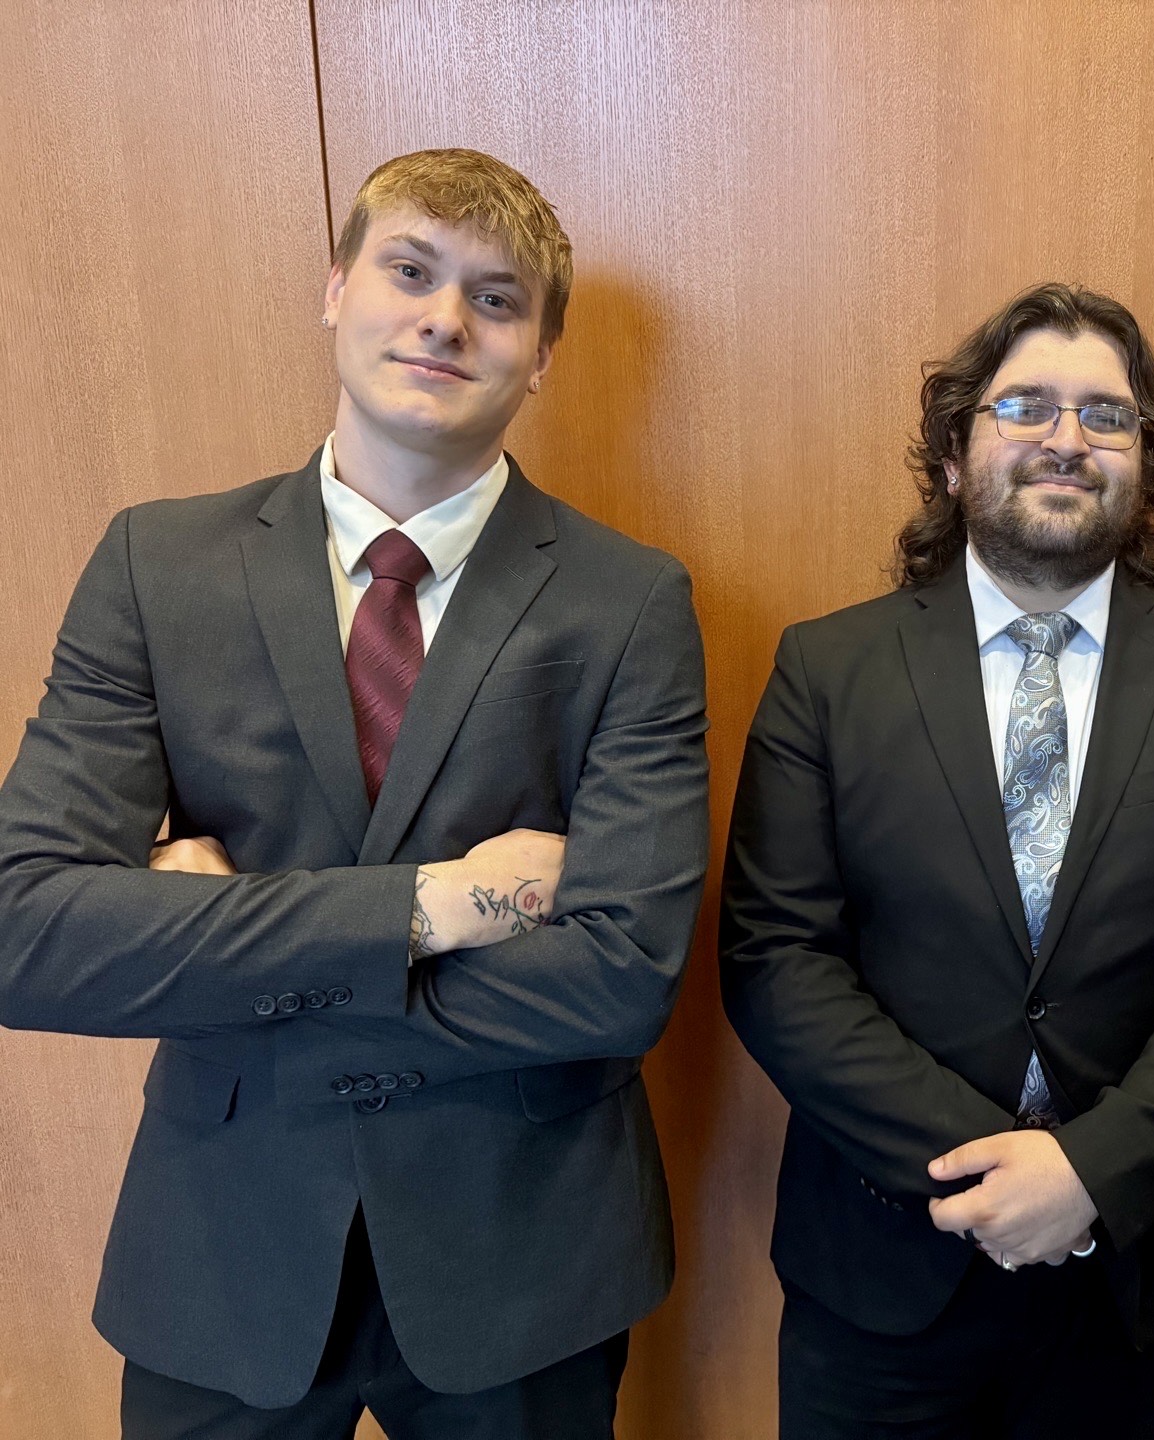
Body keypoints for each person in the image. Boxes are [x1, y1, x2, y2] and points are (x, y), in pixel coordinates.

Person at [0, 148, 709, 1439]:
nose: (445, 318)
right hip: (224, 1253)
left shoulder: (630, 603)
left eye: (497, 299)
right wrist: (438, 905)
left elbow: (623, 976)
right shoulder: (158, 568)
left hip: (524, 1257)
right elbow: (31, 936)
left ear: (540, 353)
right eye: (410, 270)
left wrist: (225, 943)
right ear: (336, 289)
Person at [721, 282, 1154, 1437]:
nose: (1066, 439)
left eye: (1108, 416)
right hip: (881, 1265)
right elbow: (773, 955)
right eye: (1026, 407)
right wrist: (986, 1176)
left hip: (1123, 1273)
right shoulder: (828, 672)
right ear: (955, 454)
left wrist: (1089, 1172)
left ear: (1146, 464)